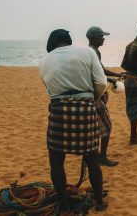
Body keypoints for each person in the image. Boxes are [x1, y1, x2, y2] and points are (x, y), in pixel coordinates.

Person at [39, 29, 107, 212]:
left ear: (52, 44)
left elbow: (50, 91)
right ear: (68, 41)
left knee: (56, 160)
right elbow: (101, 83)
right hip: (85, 108)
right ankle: (100, 202)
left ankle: (64, 205)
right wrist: (93, 99)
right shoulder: (87, 52)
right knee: (92, 158)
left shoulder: (44, 61)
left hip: (58, 110)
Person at [86, 26, 122, 167]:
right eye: (101, 36)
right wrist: (113, 79)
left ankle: (95, 155)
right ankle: (102, 157)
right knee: (106, 126)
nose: (103, 38)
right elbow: (99, 74)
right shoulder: (94, 52)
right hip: (95, 95)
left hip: (90, 93)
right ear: (94, 38)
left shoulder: (89, 51)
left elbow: (100, 70)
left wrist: (115, 75)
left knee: (94, 127)